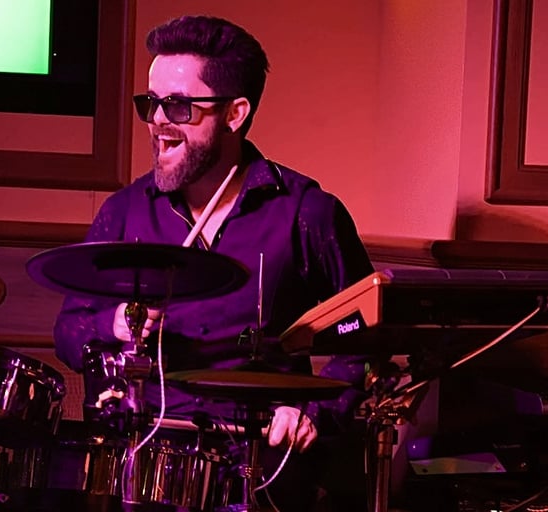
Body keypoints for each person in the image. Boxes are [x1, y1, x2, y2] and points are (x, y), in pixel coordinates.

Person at [53, 14, 375, 511]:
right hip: (145, 457)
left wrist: (314, 412)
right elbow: (70, 332)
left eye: (179, 106)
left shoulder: (307, 212)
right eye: (151, 104)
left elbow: (364, 336)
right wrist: (116, 323)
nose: (158, 120)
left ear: (235, 113)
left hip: (263, 462)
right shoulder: (124, 212)